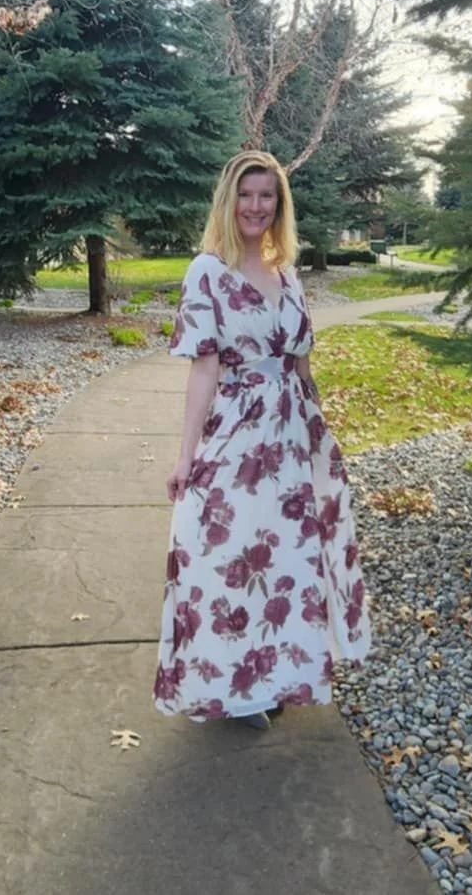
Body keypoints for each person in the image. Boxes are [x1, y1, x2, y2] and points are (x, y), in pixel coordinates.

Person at [153, 149, 371, 728]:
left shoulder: (286, 271)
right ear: (230, 202)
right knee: (221, 554)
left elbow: (298, 360)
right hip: (238, 432)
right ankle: (228, 683)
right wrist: (186, 456)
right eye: (246, 195)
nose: (255, 206)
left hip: (293, 436)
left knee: (285, 561)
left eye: (266, 196)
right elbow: (202, 368)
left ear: (279, 205)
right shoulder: (208, 271)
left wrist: (320, 430)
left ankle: (275, 675)